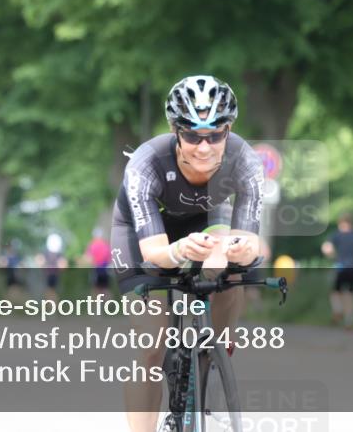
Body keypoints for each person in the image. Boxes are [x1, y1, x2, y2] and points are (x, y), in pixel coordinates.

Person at [109, 75, 263, 432]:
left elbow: (250, 242)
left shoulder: (245, 161)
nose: (204, 147)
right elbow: (155, 252)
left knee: (231, 270)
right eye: (192, 135)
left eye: (215, 134)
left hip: (207, 221)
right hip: (142, 235)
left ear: (229, 130)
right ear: (174, 130)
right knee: (152, 346)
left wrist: (229, 251)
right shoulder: (147, 163)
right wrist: (179, 249)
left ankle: (214, 349)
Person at [321, 214, 353, 330]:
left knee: (335, 292)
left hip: (340, 267)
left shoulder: (336, 235)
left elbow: (326, 248)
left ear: (341, 224)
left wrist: (330, 254)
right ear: (351, 225)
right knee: (350, 295)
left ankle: (338, 310)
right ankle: (349, 321)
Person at [77, 227, 111, 298]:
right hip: (106, 270)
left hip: (97, 270)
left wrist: (80, 261)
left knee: (95, 290)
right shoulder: (106, 245)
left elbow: (89, 258)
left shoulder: (92, 245)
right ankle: (110, 307)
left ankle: (96, 307)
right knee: (105, 290)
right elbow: (110, 258)